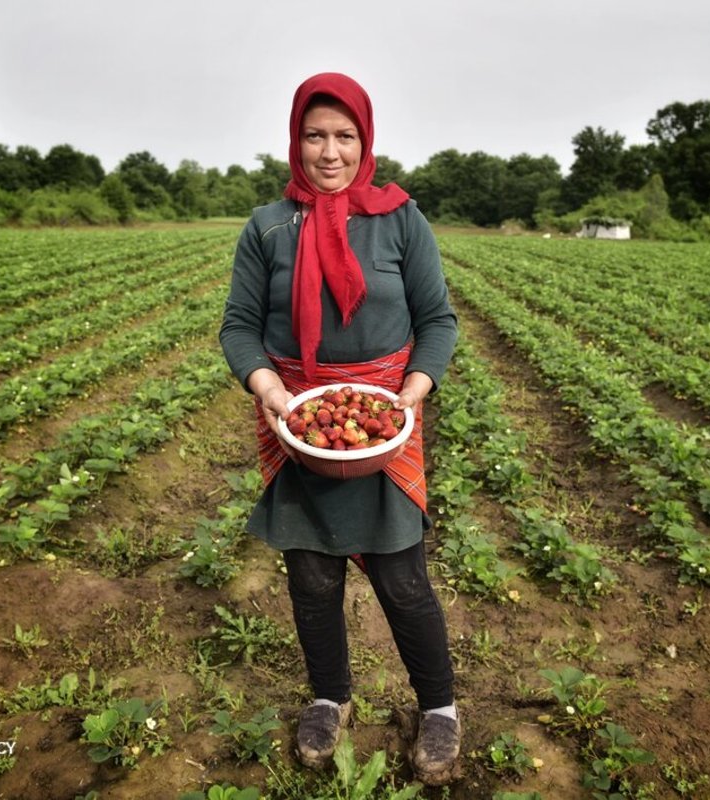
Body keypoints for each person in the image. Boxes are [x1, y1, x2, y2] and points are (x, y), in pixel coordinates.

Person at [218, 72, 460, 786]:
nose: (329, 152)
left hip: (383, 422)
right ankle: (330, 697)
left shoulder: (400, 218)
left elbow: (437, 321)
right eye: (314, 135)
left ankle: (440, 708)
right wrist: (268, 388)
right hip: (302, 422)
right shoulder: (267, 227)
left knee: (403, 577)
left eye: (344, 136)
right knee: (312, 575)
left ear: (366, 140)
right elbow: (238, 327)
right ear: (295, 141)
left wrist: (411, 395)